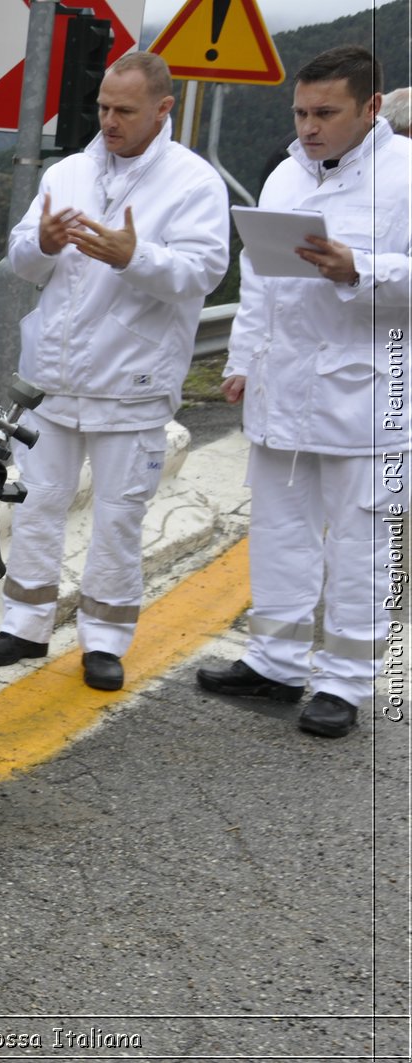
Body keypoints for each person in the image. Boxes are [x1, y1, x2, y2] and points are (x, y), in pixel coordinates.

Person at [0, 51, 229, 692]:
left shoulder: (194, 182)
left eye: (125, 110)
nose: (110, 121)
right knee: (36, 502)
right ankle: (26, 624)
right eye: (103, 108)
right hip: (54, 376)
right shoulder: (68, 171)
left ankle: (105, 639)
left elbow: (204, 271)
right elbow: (21, 259)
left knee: (118, 514)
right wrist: (46, 243)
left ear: (163, 109)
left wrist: (134, 256)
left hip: (132, 383)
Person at [196, 46, 411, 738]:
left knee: (362, 542)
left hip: (369, 398)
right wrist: (240, 360)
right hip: (282, 389)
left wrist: (361, 268)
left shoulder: (406, 177)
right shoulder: (287, 176)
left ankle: (344, 681)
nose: (309, 126)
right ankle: (276, 662)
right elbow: (258, 282)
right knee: (281, 534)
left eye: (326, 113)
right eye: (301, 111)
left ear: (371, 108)